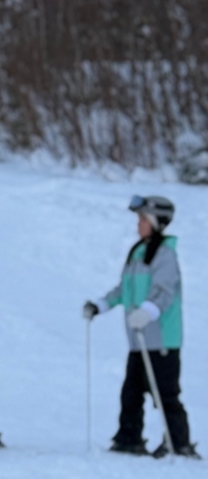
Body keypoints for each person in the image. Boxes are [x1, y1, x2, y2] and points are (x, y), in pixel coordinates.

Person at [84, 194, 197, 457]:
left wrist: (148, 311)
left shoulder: (164, 253)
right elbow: (125, 289)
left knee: (165, 393)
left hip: (162, 339)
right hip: (138, 340)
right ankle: (128, 438)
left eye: (143, 219)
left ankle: (178, 443)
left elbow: (165, 292)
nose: (138, 225)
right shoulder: (138, 251)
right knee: (131, 392)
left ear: (157, 222)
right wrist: (100, 305)